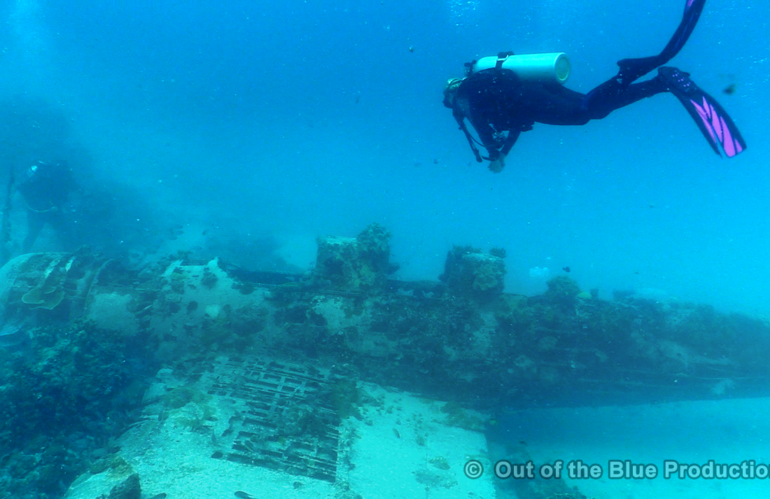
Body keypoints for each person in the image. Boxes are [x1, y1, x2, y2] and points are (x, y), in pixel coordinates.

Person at [443, 0, 746, 172]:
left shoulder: (466, 96)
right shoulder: (479, 91)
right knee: (590, 110)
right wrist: (503, 152)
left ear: (452, 93)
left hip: (528, 95)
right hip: (535, 91)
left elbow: (481, 123)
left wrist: (495, 156)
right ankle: (659, 83)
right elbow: (516, 126)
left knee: (583, 113)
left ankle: (626, 74)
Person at [16, 160, 78, 252]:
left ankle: (23, 253)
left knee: (33, 233)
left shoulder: (49, 178)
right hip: (47, 211)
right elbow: (59, 195)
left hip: (37, 211)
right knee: (64, 231)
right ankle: (70, 252)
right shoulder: (52, 180)